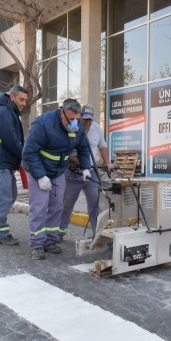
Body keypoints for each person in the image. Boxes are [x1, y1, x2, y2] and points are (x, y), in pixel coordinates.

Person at [22, 98, 92, 260]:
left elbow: (83, 148)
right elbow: (29, 153)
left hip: (59, 170)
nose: (75, 123)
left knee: (57, 206)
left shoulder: (77, 126)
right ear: (62, 113)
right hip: (38, 168)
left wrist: (85, 168)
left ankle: (50, 240)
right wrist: (41, 176)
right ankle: (37, 244)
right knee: (39, 207)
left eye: (77, 119)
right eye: (71, 119)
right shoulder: (42, 124)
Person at [59, 103, 114, 240]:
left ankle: (98, 233)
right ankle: (60, 231)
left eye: (90, 119)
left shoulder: (97, 129)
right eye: (85, 119)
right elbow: (64, 151)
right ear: (79, 117)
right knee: (67, 204)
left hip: (91, 172)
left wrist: (108, 162)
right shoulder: (71, 128)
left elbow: (102, 147)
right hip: (73, 173)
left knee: (95, 203)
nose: (87, 122)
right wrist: (77, 161)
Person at [0, 85, 28, 245]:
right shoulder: (4, 112)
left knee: (10, 196)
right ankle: (1, 232)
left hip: (1, 163)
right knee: (5, 198)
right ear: (11, 97)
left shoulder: (7, 112)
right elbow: (11, 141)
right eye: (21, 99)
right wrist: (25, 156)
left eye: (25, 100)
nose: (23, 103)